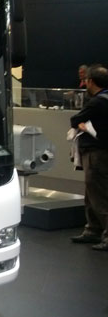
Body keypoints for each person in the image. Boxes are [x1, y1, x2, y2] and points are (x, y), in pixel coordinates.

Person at [69, 64, 108, 251]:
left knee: (99, 195)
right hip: (101, 152)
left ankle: (100, 232)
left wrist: (81, 124)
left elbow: (75, 120)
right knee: (92, 193)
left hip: (96, 153)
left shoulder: (97, 102)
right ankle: (93, 229)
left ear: (90, 81)